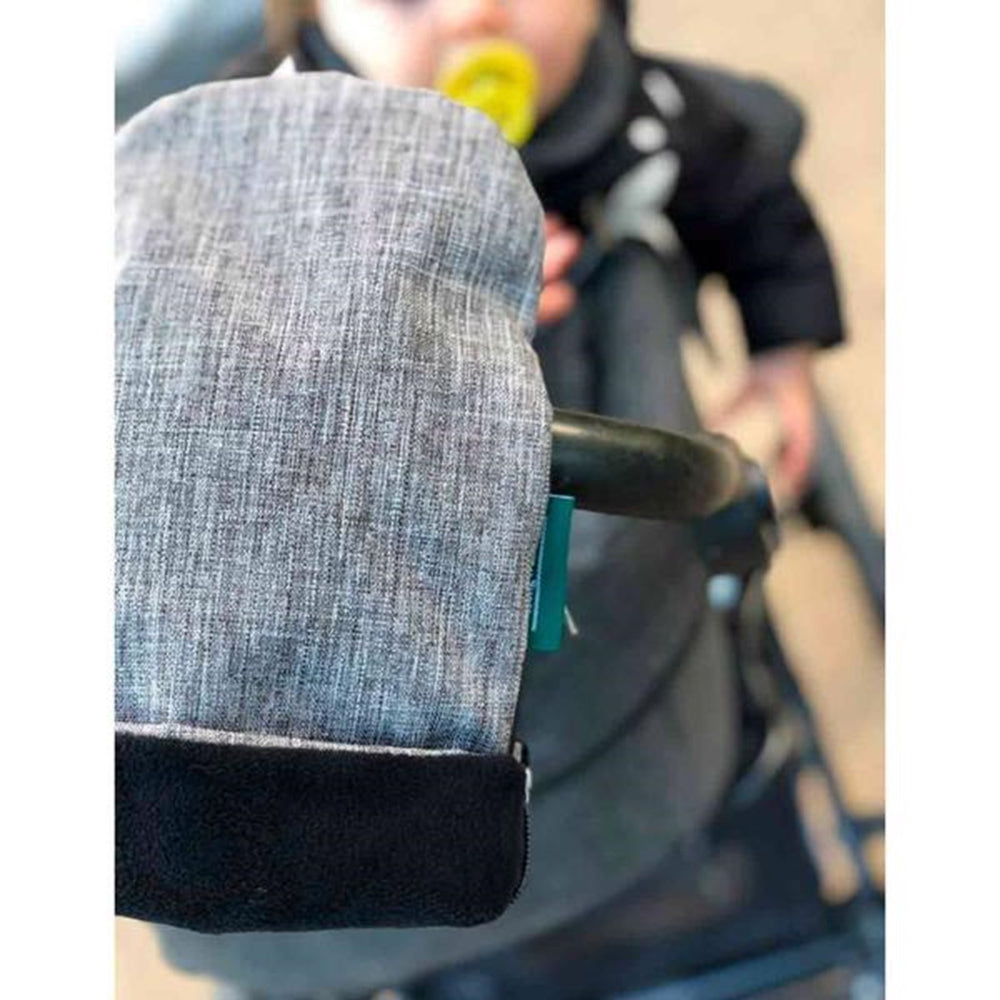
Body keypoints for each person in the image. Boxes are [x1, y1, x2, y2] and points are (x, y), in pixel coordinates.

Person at [155, 2, 845, 996]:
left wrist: (784, 354)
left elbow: (757, 208)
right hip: (353, 490)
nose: (475, 12)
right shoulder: (254, 156)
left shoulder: (645, 114)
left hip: (589, 502)